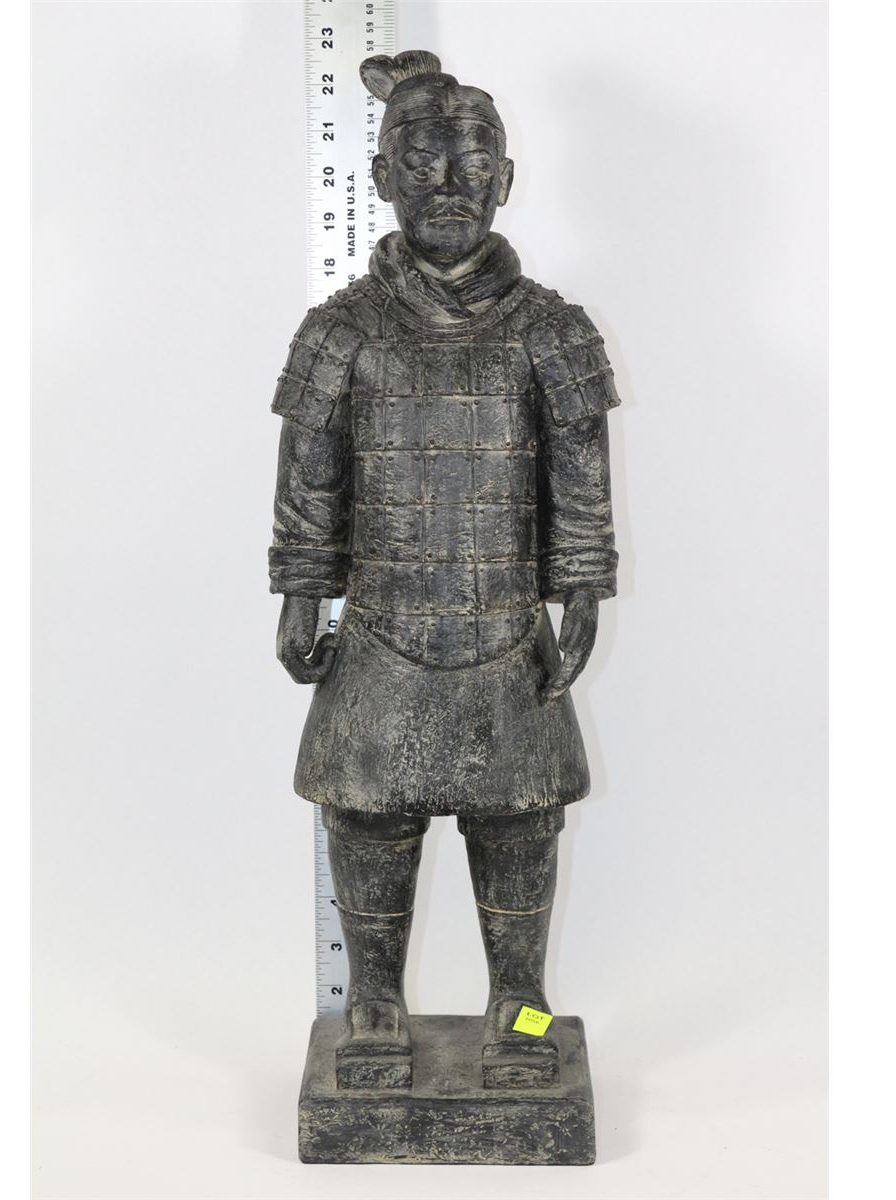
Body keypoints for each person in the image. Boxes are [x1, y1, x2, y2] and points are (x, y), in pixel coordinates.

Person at [269, 50, 620, 1090]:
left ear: (506, 179)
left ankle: (519, 1003)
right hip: (381, 626)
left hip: (506, 628)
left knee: (519, 819)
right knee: (368, 814)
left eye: (472, 167)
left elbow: (579, 474)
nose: (449, 189)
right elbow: (311, 477)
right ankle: (373, 1001)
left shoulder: (550, 330)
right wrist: (301, 591)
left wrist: (582, 586)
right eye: (422, 167)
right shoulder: (340, 332)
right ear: (381, 178)